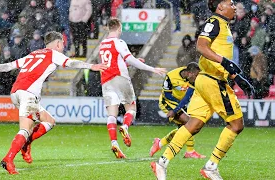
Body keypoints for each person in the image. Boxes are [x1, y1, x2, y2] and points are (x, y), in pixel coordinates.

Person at [0, 31, 108, 174]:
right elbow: (72, 63)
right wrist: (91, 66)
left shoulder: (33, 54)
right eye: (62, 44)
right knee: (25, 129)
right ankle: (9, 158)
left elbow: (8, 66)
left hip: (15, 93)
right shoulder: (54, 54)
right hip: (28, 95)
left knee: (50, 121)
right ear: (58, 43)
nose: (63, 47)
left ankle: (25, 143)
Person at [150, 0, 254, 179]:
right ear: (220, 7)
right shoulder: (214, 22)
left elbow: (220, 60)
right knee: (236, 124)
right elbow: (201, 46)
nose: (235, 6)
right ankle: (211, 167)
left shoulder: (224, 26)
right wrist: (224, 62)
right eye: (231, 3)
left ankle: (162, 163)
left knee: (193, 124)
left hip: (205, 79)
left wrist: (238, 78)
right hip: (212, 81)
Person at [100, 18, 166, 158]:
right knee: (131, 108)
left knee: (112, 114)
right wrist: (152, 69)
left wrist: (128, 63)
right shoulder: (119, 42)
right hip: (120, 78)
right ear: (119, 28)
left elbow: (114, 62)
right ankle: (125, 127)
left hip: (106, 81)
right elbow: (129, 59)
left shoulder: (102, 44)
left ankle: (114, 143)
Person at [149, 63, 205, 159]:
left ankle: (160, 143)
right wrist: (174, 110)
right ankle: (190, 151)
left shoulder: (193, 80)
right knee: (189, 123)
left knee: (184, 129)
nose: (197, 77)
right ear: (189, 73)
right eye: (196, 75)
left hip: (179, 103)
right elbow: (167, 95)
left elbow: (187, 97)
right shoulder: (171, 76)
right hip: (167, 102)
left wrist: (177, 109)